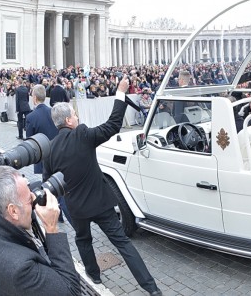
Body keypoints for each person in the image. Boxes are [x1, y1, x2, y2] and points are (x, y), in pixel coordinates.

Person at [45, 77, 163, 295]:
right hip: (101, 203)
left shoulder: (50, 149)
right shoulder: (81, 134)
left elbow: (49, 183)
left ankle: (94, 276)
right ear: (69, 121)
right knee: (124, 245)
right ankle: (151, 288)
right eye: (75, 115)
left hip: (76, 207)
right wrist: (120, 93)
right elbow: (113, 124)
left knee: (83, 241)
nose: (78, 117)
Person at [0, 166, 80, 296]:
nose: (34, 198)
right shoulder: (20, 269)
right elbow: (72, 292)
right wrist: (51, 228)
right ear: (13, 211)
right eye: (30, 200)